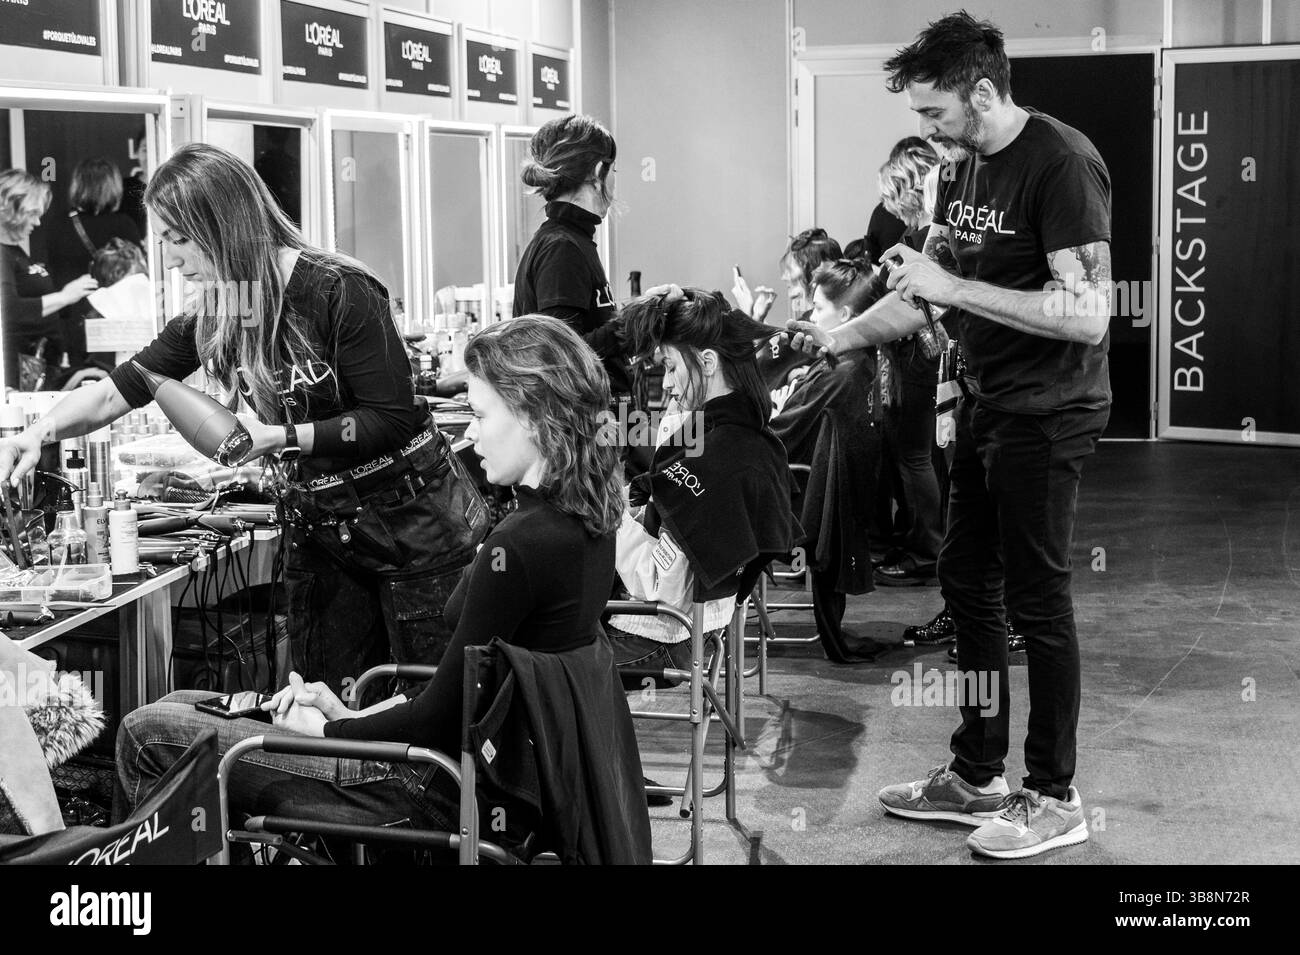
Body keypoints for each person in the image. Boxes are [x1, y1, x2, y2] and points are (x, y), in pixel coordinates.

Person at [116, 316, 651, 862]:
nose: (469, 434)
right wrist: (342, 714)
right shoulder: (585, 521)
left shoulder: (517, 547)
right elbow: (463, 692)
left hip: (428, 783)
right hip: (478, 769)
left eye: (480, 415)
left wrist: (331, 729)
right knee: (187, 705)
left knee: (147, 731)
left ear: (534, 420)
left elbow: (440, 718)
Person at [788, 11, 1111, 860]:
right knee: (967, 583)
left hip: (1050, 411)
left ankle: (1054, 793)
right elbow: (923, 294)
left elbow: (1087, 314)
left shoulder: (1061, 163)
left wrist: (950, 290)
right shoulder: (961, 172)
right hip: (985, 403)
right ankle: (978, 773)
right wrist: (829, 338)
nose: (925, 130)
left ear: (982, 90)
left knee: (1038, 598)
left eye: (934, 113)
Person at [0, 143, 477, 693]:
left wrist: (277, 437)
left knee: (435, 704)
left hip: (416, 528)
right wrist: (38, 432)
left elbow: (391, 419)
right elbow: (120, 390)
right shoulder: (218, 310)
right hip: (324, 532)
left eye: (180, 239)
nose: (172, 260)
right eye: (164, 242)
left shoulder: (339, 291)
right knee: (326, 705)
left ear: (223, 224)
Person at [606, 287, 795, 677]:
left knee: (527, 652)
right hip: (705, 628)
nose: (669, 386)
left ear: (707, 361)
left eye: (672, 368)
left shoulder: (712, 459)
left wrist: (610, 513)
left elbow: (660, 587)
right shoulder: (744, 437)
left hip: (663, 637)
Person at [770, 258, 885, 663]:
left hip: (800, 495)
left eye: (818, 309)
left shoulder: (842, 372)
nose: (811, 316)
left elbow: (779, 433)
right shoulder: (855, 361)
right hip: (820, 492)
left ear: (847, 313)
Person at [512, 114, 632, 401]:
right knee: (692, 441)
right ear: (598, 171)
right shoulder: (561, 248)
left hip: (607, 419)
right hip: (591, 427)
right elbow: (563, 353)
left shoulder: (573, 241)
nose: (615, 182)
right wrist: (637, 321)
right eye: (615, 171)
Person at [872, 138, 946, 586]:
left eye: (890, 194)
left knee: (915, 458)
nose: (886, 205)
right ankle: (919, 540)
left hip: (921, 358)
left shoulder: (924, 241)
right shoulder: (917, 238)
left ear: (908, 190)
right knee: (918, 457)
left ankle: (926, 553)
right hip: (916, 358)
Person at [0, 169, 98, 391]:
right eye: (32, 213)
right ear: (9, 209)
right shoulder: (3, 254)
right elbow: (8, 309)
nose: (36, 222)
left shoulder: (13, 252)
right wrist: (64, 297)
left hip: (36, 366)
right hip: (18, 373)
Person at [45, 157, 146, 371]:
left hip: (74, 318)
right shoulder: (124, 224)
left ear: (78, 186)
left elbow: (53, 271)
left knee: (81, 378)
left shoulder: (59, 226)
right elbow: (139, 276)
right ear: (113, 186)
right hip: (115, 321)